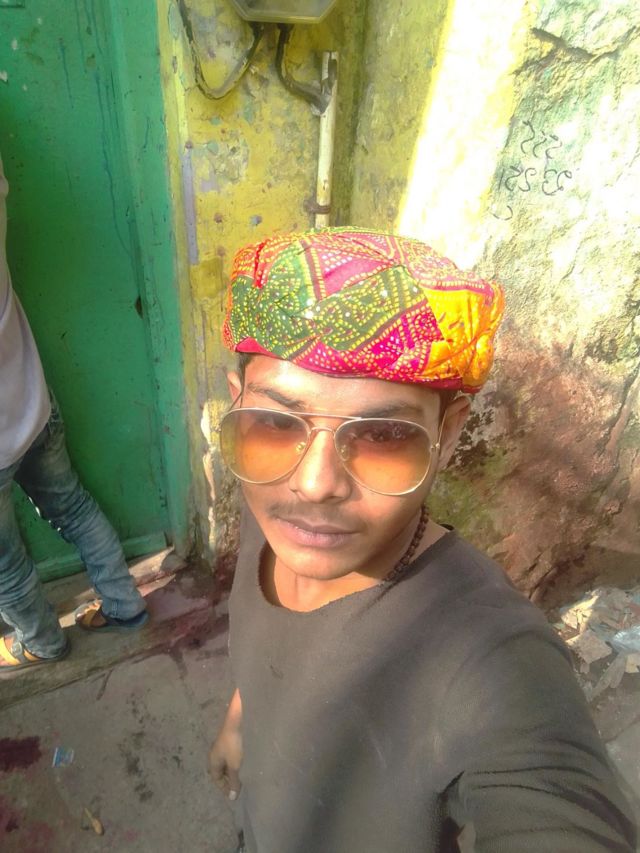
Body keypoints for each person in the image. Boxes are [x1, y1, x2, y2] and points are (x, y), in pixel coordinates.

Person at [208, 228, 636, 853]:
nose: (315, 484)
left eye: (383, 436)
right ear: (238, 408)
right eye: (276, 422)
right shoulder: (271, 510)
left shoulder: (489, 655)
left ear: (449, 433)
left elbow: (557, 806)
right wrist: (238, 721)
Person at [0, 154, 148, 672]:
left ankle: (41, 642)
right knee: (75, 508)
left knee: (5, 564)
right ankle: (124, 604)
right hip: (31, 401)